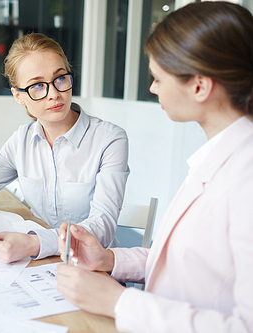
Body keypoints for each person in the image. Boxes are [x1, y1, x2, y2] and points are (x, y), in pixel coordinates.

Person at [56, 2, 253, 332]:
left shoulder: (246, 176)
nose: (152, 88)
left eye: (158, 78)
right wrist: (108, 260)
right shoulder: (219, 155)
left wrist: (118, 303)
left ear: (200, 86)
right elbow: (183, 263)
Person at [0, 33, 129, 263]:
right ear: (18, 96)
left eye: (60, 78)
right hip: (40, 262)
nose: (54, 94)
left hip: (90, 264)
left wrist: (34, 243)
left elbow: (104, 224)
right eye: (38, 86)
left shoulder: (110, 139)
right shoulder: (22, 140)